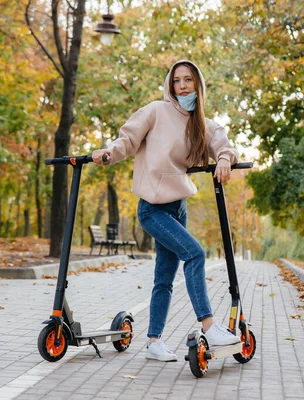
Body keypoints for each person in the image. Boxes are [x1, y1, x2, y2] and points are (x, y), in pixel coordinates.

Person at [92, 60, 240, 362]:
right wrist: (108, 153)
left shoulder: (203, 124)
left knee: (164, 278)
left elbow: (225, 145)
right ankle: (209, 325)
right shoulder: (155, 111)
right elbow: (128, 140)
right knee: (196, 254)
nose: (182, 86)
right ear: (170, 85)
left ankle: (154, 342)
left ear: (198, 85)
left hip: (177, 209)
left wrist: (224, 159)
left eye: (188, 80)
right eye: (177, 81)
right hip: (152, 210)